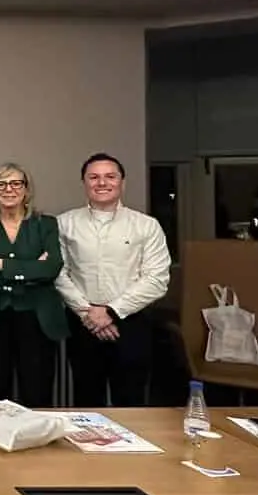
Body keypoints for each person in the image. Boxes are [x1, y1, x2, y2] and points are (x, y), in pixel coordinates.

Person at [55, 153, 171, 407]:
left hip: (131, 323)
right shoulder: (64, 223)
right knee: (86, 399)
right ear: (84, 183)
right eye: (94, 177)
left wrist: (111, 311)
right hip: (83, 323)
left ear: (122, 182)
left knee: (131, 400)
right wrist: (88, 312)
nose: (102, 183)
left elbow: (157, 279)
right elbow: (58, 273)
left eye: (110, 176)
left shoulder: (146, 225)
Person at [0, 163, 67, 407]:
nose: (9, 189)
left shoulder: (46, 224)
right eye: (1, 184)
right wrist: (31, 269)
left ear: (26, 189)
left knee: (37, 392)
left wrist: (3, 265)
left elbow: (51, 268)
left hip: (37, 318)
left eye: (16, 183)